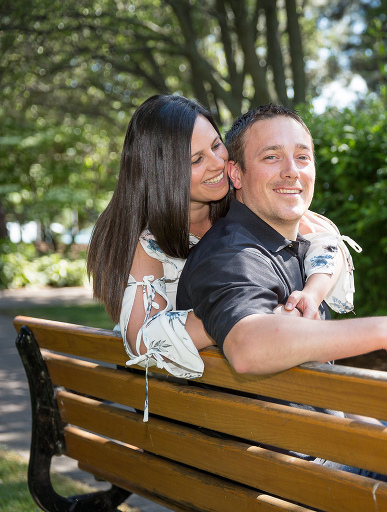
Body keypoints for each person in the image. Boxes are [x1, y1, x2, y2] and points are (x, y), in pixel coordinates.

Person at [86, 95, 360, 396]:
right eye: (196, 160)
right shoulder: (148, 243)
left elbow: (326, 241)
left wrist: (311, 293)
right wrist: (229, 319)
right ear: (163, 175)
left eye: (216, 146)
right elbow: (143, 341)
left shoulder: (246, 204)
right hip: (185, 403)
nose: (219, 163)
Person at [177, 104, 387, 384]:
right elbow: (246, 347)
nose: (291, 171)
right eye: (272, 157)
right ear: (235, 174)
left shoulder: (296, 245)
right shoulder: (229, 255)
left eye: (302, 157)